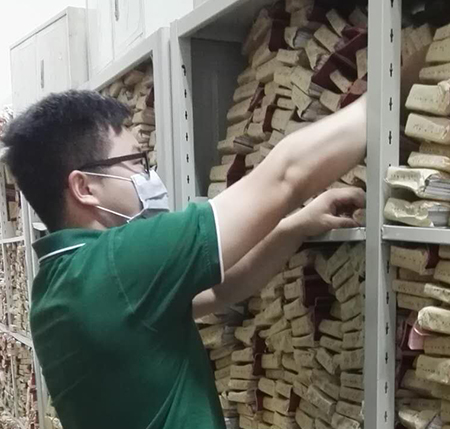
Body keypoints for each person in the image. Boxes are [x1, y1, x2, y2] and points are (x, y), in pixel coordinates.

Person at [2, 90, 367, 429]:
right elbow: (286, 175)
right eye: (137, 161)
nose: (148, 175)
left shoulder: (59, 285)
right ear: (84, 187)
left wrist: (295, 227)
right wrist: (382, 97)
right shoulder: (118, 262)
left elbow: (219, 290)